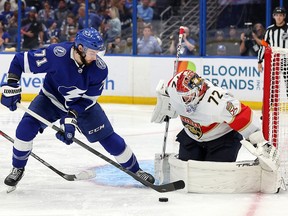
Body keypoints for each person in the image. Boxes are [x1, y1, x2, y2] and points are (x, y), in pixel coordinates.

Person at [0, 27, 155, 191]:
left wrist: (71, 116)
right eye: (93, 53)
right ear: (80, 48)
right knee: (25, 128)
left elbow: (88, 99)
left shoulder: (100, 70)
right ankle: (18, 168)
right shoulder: (56, 54)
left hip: (82, 107)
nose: (96, 58)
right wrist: (12, 84)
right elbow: (19, 61)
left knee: (109, 139)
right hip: (50, 99)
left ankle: (136, 170)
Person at [151, 69, 277, 163]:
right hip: (192, 137)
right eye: (184, 96)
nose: (187, 99)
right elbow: (165, 95)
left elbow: (243, 115)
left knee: (215, 175)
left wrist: (260, 142)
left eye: (189, 95)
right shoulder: (174, 87)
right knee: (187, 169)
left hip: (222, 139)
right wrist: (163, 109)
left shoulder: (217, 101)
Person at [258, 7, 288, 72]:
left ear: (284, 16)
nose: (278, 17)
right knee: (274, 81)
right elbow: (264, 45)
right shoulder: (269, 30)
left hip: (287, 60)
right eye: (276, 15)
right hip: (275, 61)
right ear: (273, 16)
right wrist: (259, 61)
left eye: (280, 15)